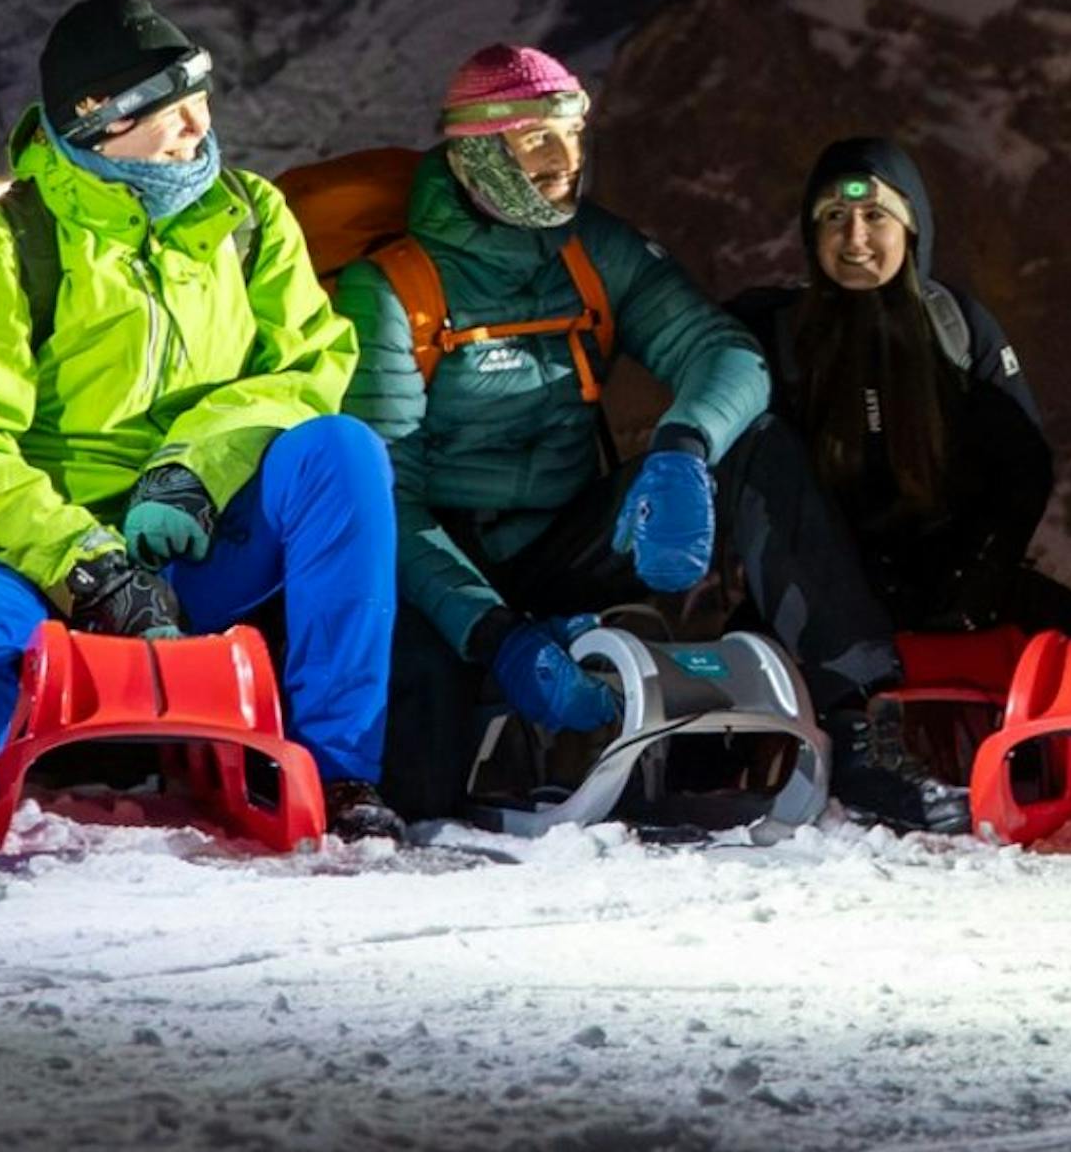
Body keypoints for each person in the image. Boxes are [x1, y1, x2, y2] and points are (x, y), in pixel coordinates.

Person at [0, 0, 396, 884]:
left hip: (191, 538)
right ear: (103, 126)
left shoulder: (248, 218)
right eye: (167, 107)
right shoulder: (10, 240)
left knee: (344, 454)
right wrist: (83, 561)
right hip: (32, 541)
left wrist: (191, 468)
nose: (199, 122)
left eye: (200, 92)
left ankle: (338, 774)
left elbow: (308, 367)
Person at [338, 46, 969, 833]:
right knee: (423, 796)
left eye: (573, 133)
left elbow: (722, 352)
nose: (566, 160)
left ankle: (861, 724)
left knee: (754, 445)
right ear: (475, 150)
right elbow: (384, 498)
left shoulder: (594, 251)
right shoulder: (389, 290)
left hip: (563, 547)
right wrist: (494, 631)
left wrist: (682, 449)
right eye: (537, 139)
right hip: (440, 574)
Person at [726, 137, 1071, 638]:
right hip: (816, 587)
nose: (855, 237)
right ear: (812, 235)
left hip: (953, 579)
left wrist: (982, 577)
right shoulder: (775, 332)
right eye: (835, 217)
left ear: (911, 228)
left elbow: (1023, 469)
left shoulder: (957, 327)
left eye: (875, 216)